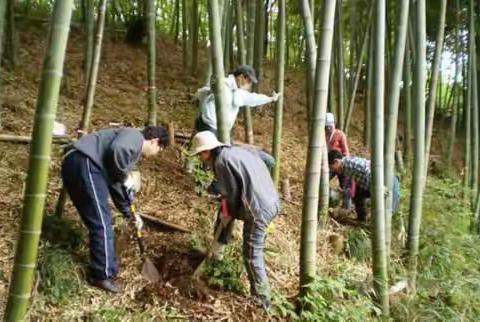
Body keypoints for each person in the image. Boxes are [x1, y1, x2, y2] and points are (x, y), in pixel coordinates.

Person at [61, 126, 169, 293]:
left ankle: (106, 271)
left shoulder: (126, 150)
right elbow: (118, 151)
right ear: (155, 141)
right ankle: (102, 276)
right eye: (159, 150)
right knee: (102, 224)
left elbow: (116, 185)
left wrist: (130, 214)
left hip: (79, 164)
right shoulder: (135, 137)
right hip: (85, 162)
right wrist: (125, 176)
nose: (155, 154)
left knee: (100, 222)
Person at [191, 131, 280, 312]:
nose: (201, 158)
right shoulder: (237, 152)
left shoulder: (221, 162)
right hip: (271, 201)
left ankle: (263, 302)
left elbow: (231, 195)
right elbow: (268, 161)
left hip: (258, 210)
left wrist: (228, 212)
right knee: (253, 251)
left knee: (251, 255)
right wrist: (226, 210)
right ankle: (218, 257)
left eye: (200, 154)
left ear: (207, 151)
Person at [194, 65, 281, 137]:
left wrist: (270, 98)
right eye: (249, 81)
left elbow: (253, 98)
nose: (249, 85)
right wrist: (197, 96)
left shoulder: (240, 93)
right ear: (241, 77)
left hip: (224, 131)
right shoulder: (222, 83)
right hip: (209, 127)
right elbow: (205, 91)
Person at [328, 150, 400, 222]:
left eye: (331, 167)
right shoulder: (343, 167)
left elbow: (368, 170)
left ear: (336, 161)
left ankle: (380, 226)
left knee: (388, 214)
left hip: (385, 183)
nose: (332, 170)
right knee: (358, 196)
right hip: (368, 184)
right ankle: (361, 219)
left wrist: (379, 187)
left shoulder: (350, 163)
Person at [325, 112, 354, 209]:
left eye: (330, 126)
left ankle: (347, 208)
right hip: (330, 164)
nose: (329, 128)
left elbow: (346, 151)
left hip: (341, 164)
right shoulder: (325, 136)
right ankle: (330, 198)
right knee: (323, 180)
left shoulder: (340, 134)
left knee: (346, 186)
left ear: (333, 125)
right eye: (327, 127)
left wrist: (344, 164)